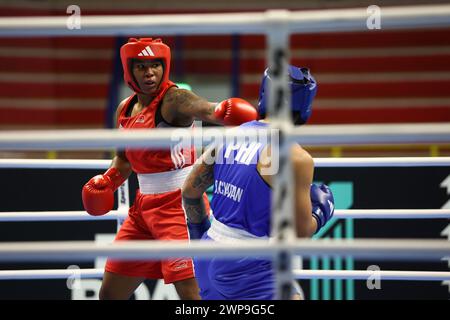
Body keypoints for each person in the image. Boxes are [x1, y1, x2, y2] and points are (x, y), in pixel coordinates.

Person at [81, 37, 258, 300]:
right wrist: (108, 181)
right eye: (141, 66)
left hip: (179, 208)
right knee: (109, 293)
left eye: (155, 65)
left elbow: (205, 109)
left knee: (192, 296)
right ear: (129, 70)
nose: (150, 72)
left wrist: (222, 111)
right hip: (142, 211)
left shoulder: (173, 99)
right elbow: (124, 159)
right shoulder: (124, 109)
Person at [181, 65, 335, 300]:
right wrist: (320, 212)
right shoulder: (295, 157)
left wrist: (200, 236)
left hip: (209, 250)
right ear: (304, 104)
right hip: (247, 265)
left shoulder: (230, 136)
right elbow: (300, 233)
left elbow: (190, 190)